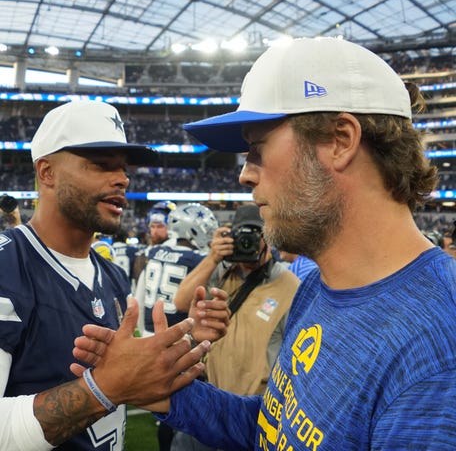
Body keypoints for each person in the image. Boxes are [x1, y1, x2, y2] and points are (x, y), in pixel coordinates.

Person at [74, 38, 456, 450]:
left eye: (257, 150)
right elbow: (275, 428)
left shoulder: (437, 350)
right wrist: (162, 390)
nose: (245, 175)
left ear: (341, 140)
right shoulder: (318, 286)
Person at [0, 100, 228, 451]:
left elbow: (128, 372)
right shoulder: (7, 264)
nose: (122, 178)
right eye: (101, 165)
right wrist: (102, 389)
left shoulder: (111, 274)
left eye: (122, 168)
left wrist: (185, 337)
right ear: (47, 172)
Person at [171, 203, 299, 451]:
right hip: (210, 400)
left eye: (254, 235)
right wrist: (213, 257)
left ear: (268, 238)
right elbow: (180, 302)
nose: (248, 242)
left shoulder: (291, 286)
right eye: (242, 235)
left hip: (253, 411)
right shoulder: (220, 272)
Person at [135, 202, 218, 451]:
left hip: (151, 333)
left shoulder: (154, 252)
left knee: (164, 404)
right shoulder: (198, 259)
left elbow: (139, 293)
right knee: (182, 408)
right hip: (179, 337)